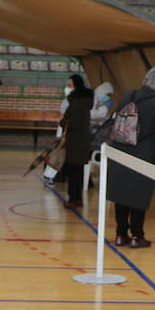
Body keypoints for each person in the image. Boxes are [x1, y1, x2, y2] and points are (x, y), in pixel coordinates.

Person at [106, 67, 155, 248]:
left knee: (121, 197)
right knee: (138, 199)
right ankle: (137, 236)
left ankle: (120, 234)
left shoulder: (128, 95)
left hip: (120, 153)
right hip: (142, 157)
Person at [57, 74, 94, 209]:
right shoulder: (84, 101)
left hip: (74, 142)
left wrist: (63, 121)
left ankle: (73, 199)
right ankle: (77, 198)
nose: (67, 88)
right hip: (81, 141)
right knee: (77, 171)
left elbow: (73, 122)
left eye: (70, 85)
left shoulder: (77, 102)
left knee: (72, 171)